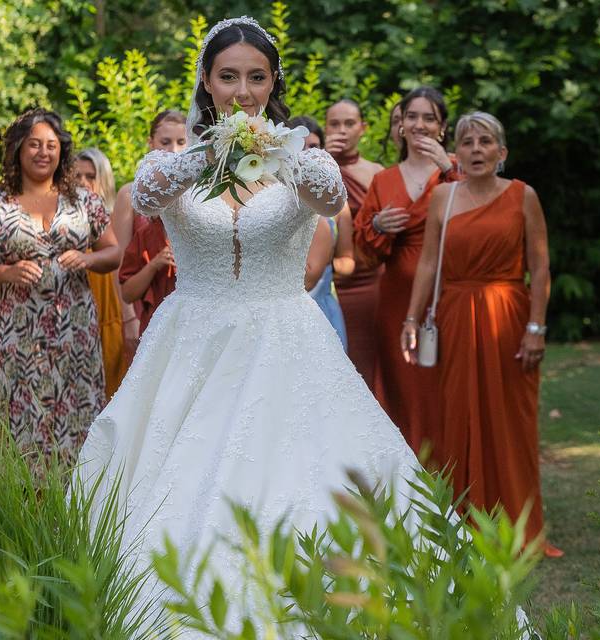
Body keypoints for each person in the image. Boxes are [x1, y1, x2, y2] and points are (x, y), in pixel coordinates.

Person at [76, 18, 455, 632]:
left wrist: (283, 154)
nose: (243, 91)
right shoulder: (176, 164)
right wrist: (208, 150)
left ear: (273, 81)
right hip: (189, 341)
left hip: (285, 338)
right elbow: (144, 198)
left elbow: (332, 202)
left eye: (256, 77)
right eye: (229, 77)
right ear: (206, 80)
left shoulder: (303, 160)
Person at [401, 112, 562, 558]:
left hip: (508, 317)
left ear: (501, 152)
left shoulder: (523, 196)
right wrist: (411, 319)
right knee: (457, 417)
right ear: (457, 152)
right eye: (466, 142)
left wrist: (536, 326)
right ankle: (465, 523)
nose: (475, 149)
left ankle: (520, 529)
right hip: (454, 315)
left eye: (485, 141)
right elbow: (429, 264)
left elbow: (541, 266)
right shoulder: (442, 198)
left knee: (511, 421)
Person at [0, 108, 120, 462]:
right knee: (22, 421)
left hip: (74, 333)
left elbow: (113, 252)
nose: (43, 152)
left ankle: (79, 504)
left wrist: (88, 259)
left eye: (51, 145)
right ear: (18, 150)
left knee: (78, 416)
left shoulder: (84, 201)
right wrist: (6, 273)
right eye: (33, 144)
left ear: (62, 151)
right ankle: (24, 508)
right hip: (18, 334)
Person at [353, 86, 460, 456]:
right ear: (401, 126)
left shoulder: (459, 171)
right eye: (412, 116)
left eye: (429, 117)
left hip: (452, 293)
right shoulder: (383, 181)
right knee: (405, 389)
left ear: (442, 127)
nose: (419, 124)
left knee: (449, 388)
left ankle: (457, 474)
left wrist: (449, 169)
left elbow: (485, 218)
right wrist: (378, 227)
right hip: (398, 297)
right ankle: (412, 478)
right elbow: (362, 253)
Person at [110, 110, 188, 360]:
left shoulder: (197, 194)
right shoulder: (130, 194)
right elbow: (120, 262)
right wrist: (128, 317)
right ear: (151, 142)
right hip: (144, 303)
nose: (174, 151)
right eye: (165, 142)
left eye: (181, 142)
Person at [324, 99, 385, 381]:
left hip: (368, 279)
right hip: (324, 279)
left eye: (349, 124)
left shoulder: (376, 173)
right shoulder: (314, 168)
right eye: (335, 124)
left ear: (363, 128)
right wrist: (323, 160)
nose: (342, 130)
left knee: (365, 361)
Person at [288, 115, 352, 348]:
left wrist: (326, 266)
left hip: (320, 301)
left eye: (313, 146)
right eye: (299, 146)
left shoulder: (337, 205)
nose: (306, 153)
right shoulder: (271, 195)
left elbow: (348, 259)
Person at [76, 148, 128, 399]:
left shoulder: (115, 219)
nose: (83, 183)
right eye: (77, 177)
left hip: (113, 315)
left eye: (90, 176)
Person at [118, 212, 176, 335]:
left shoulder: (201, 232)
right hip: (156, 325)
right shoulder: (146, 234)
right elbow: (127, 294)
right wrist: (153, 265)